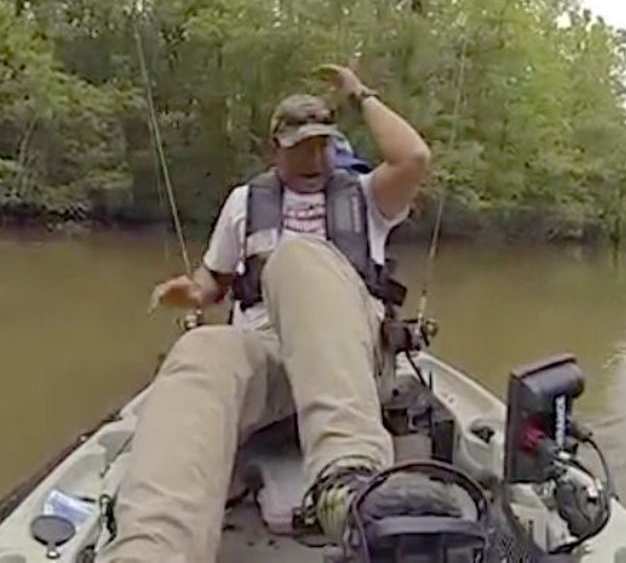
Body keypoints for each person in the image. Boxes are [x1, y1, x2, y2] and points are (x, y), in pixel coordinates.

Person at [101, 63, 432, 562]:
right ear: (273, 149)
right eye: (300, 147)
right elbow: (215, 279)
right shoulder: (244, 203)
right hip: (271, 366)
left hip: (349, 359)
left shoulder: (368, 196)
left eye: (322, 145)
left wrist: (359, 93)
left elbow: (413, 156)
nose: (314, 157)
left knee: (298, 259)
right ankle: (151, 549)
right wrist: (194, 292)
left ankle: (347, 482)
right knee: (200, 347)